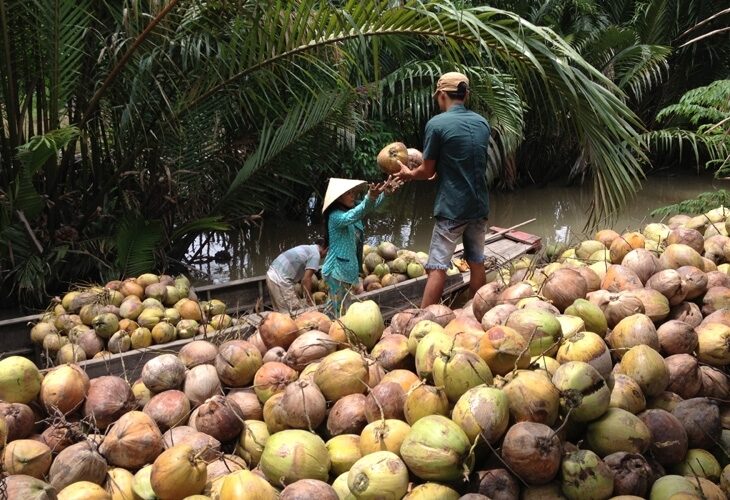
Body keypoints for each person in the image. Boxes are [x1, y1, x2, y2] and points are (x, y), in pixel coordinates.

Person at [394, 71, 491, 308]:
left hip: (452, 207)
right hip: (479, 206)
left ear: (440, 95)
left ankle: (424, 321)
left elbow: (427, 171)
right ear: (465, 95)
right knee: (477, 261)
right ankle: (474, 311)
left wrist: (409, 174)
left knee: (436, 266)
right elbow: (465, 159)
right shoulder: (482, 122)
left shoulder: (436, 124)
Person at [321, 177, 399, 317]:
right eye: (348, 193)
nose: (353, 196)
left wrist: (384, 194)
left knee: (340, 304)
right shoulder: (335, 216)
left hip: (347, 268)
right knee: (338, 308)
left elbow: (369, 206)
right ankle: (332, 329)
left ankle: (332, 322)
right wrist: (369, 197)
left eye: (353, 192)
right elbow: (357, 212)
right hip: (336, 270)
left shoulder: (350, 207)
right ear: (338, 198)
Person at [266, 239, 328, 312]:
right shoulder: (315, 255)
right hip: (280, 280)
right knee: (294, 312)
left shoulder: (309, 248)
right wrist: (310, 301)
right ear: (326, 249)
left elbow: (303, 279)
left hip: (271, 274)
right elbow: (306, 280)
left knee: (279, 312)